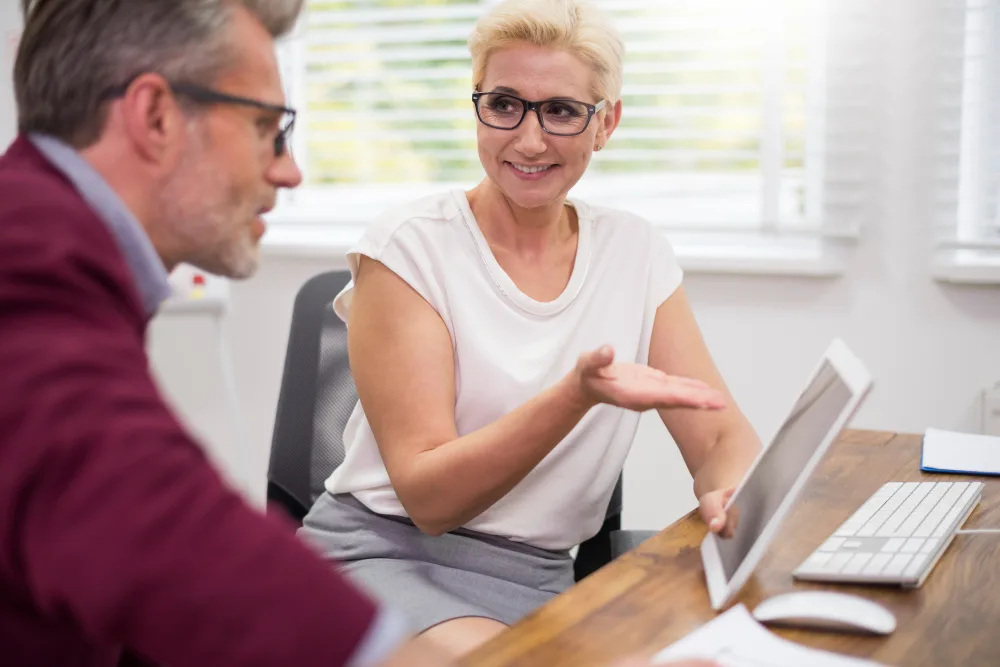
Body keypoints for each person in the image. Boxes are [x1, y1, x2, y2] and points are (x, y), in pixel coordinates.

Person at [0, 0, 465, 665]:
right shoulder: (24, 260)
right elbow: (155, 526)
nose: (289, 170)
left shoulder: (45, 230)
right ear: (155, 116)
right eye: (266, 127)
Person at [297, 0, 764, 660]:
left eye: (562, 111)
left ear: (607, 123)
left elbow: (719, 430)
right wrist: (575, 395)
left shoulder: (636, 253)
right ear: (478, 107)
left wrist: (729, 489)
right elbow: (431, 499)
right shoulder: (408, 250)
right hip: (384, 558)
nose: (529, 138)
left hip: (541, 578)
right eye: (505, 103)